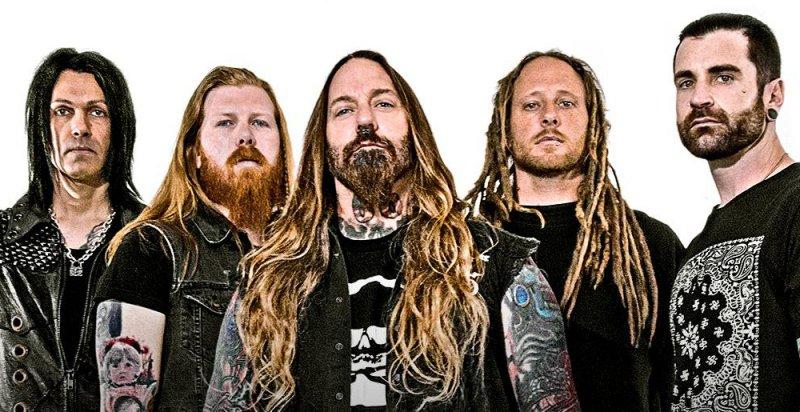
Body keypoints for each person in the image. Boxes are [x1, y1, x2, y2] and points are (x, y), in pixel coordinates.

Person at [204, 50, 578, 411]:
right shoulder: (267, 280)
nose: (365, 120)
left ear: (414, 128)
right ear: (323, 139)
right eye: (344, 109)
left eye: (383, 103)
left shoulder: (495, 264)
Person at [466, 50, 684, 411]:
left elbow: (682, 387)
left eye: (566, 103)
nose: (549, 116)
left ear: (593, 123)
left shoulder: (649, 246)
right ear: (504, 127)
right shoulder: (466, 252)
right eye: (531, 105)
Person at [94, 66, 293, 410]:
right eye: (225, 123)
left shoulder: (307, 252)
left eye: (260, 122)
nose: (245, 136)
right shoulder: (150, 247)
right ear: (195, 153)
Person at [0, 48, 143, 411]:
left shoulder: (151, 240)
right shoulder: (3, 240)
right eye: (63, 111)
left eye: (97, 112)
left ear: (119, 128)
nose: (80, 128)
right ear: (40, 127)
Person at [670, 13, 799, 411]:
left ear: (773, 95)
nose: (699, 97)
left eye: (723, 77)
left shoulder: (795, 204)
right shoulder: (697, 246)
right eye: (686, 81)